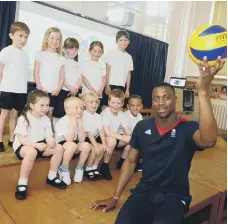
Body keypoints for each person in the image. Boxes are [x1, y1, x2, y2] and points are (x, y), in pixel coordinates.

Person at [90, 56, 226, 224]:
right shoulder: (142, 127)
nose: (161, 102)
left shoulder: (188, 128)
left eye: (166, 97)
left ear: (175, 100)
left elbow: (209, 141)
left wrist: (204, 92)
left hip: (175, 197)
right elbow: (131, 161)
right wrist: (115, 196)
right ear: (152, 102)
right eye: (156, 98)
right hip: (145, 192)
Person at [13, 90, 67, 200]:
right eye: (41, 105)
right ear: (32, 105)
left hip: (39, 145)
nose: (45, 108)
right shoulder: (24, 118)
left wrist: (51, 140)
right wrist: (35, 146)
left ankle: (52, 176)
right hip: (24, 146)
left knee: (59, 148)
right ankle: (22, 182)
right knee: (31, 152)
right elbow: (22, 139)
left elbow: (48, 135)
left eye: (47, 105)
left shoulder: (46, 119)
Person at [0, 22, 30, 152]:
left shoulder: (25, 55)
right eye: (20, 36)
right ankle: (0, 140)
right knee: (3, 116)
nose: (23, 40)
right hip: (7, 89)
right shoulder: (6, 51)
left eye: (26, 37)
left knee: (14, 116)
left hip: (20, 91)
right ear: (11, 36)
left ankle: (12, 140)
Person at [55, 97, 91, 185]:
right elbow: (69, 139)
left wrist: (80, 124)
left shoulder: (80, 120)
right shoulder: (63, 121)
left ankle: (79, 168)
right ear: (67, 110)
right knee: (72, 145)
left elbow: (82, 139)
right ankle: (64, 169)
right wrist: (73, 121)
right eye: (76, 108)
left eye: (81, 108)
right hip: (63, 145)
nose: (80, 110)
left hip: (73, 144)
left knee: (86, 145)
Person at [33, 27, 65, 120]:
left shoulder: (61, 58)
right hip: (41, 90)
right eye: (52, 38)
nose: (55, 41)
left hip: (54, 92)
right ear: (47, 39)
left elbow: (62, 77)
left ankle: (48, 134)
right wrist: (40, 87)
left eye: (57, 39)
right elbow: (36, 73)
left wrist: (58, 89)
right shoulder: (40, 54)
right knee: (38, 114)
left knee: (49, 114)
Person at [100, 89, 131, 180]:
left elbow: (127, 130)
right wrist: (123, 138)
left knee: (131, 139)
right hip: (102, 137)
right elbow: (107, 132)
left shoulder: (122, 114)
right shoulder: (105, 113)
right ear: (109, 102)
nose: (115, 105)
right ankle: (105, 166)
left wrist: (132, 137)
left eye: (118, 103)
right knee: (112, 140)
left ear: (122, 104)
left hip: (114, 136)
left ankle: (122, 162)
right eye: (113, 102)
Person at [82, 93, 111, 181]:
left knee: (102, 148)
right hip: (86, 138)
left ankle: (94, 167)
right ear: (84, 103)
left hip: (94, 137)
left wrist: (105, 144)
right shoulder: (83, 115)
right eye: (91, 102)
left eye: (96, 102)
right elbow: (89, 133)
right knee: (96, 149)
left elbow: (101, 131)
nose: (94, 104)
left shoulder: (98, 116)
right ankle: (88, 168)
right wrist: (95, 145)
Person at [53, 37, 83, 121]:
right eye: (71, 48)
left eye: (76, 49)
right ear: (64, 49)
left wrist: (75, 88)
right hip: (63, 91)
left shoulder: (78, 64)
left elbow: (81, 78)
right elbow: (61, 77)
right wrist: (70, 87)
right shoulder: (61, 61)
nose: (74, 51)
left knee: (72, 115)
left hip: (74, 92)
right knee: (59, 114)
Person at [104, 30, 133, 105]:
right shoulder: (111, 52)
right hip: (111, 84)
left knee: (118, 107)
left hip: (121, 86)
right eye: (121, 40)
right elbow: (107, 70)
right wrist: (107, 86)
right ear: (117, 41)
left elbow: (128, 73)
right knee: (108, 107)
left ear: (128, 41)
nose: (123, 42)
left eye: (125, 40)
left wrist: (127, 89)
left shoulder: (129, 57)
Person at [116, 95, 143, 170]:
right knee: (135, 143)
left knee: (130, 146)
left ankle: (122, 162)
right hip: (120, 139)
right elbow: (127, 132)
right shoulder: (125, 115)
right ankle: (136, 161)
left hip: (130, 139)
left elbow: (139, 130)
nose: (135, 107)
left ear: (141, 106)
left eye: (138, 105)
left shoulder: (139, 116)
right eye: (132, 105)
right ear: (128, 106)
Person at [82, 41, 106, 113]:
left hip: (98, 95)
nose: (97, 53)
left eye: (99, 51)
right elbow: (83, 78)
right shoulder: (85, 63)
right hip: (87, 93)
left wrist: (101, 90)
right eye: (94, 51)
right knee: (85, 113)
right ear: (89, 51)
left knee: (96, 113)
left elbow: (104, 79)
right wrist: (92, 90)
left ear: (102, 53)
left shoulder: (102, 65)